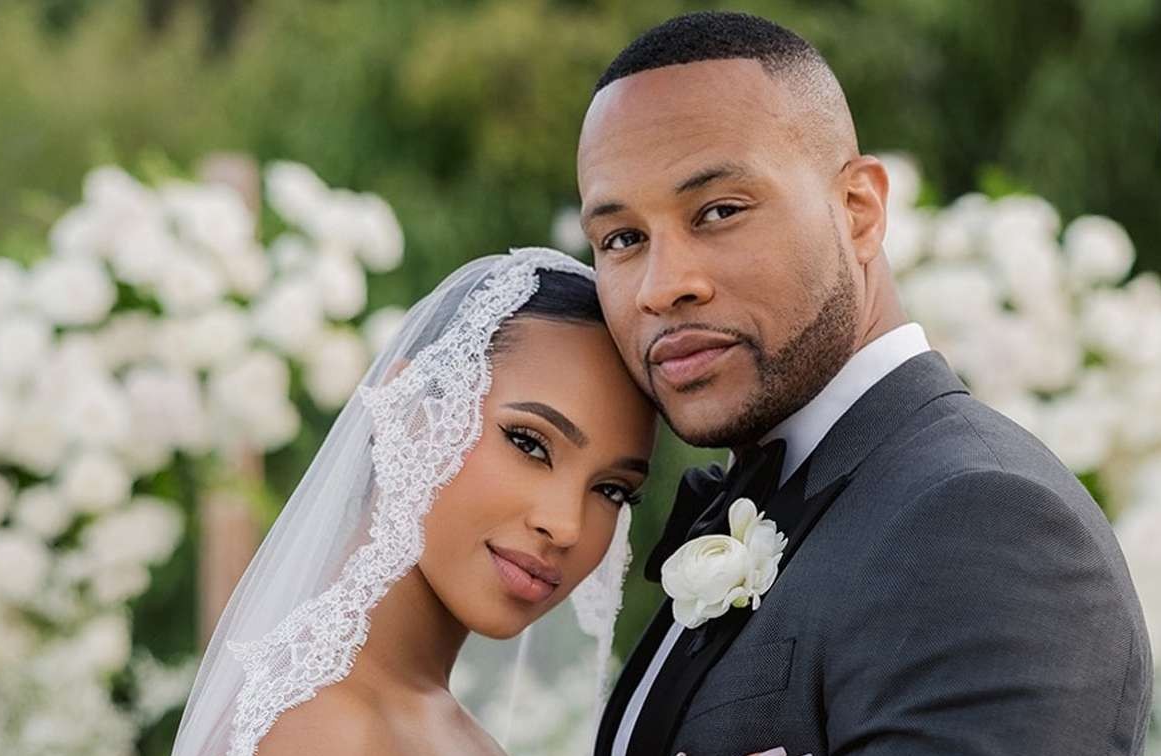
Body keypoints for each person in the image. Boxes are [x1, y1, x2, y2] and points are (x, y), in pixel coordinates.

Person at [577, 11, 1153, 756]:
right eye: (623, 238)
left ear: (859, 212)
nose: (663, 286)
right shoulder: (793, 496)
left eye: (719, 212)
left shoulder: (979, 522)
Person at [171, 248, 657, 755]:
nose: (567, 526)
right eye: (529, 443)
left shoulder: (448, 734)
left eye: (612, 490)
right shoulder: (323, 732)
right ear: (407, 408)